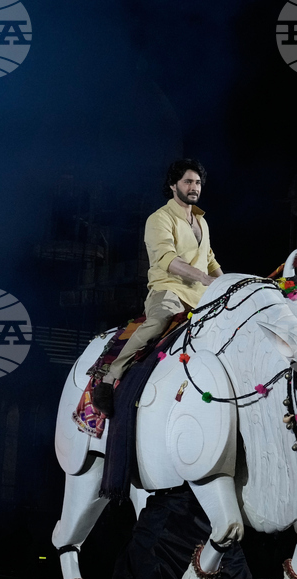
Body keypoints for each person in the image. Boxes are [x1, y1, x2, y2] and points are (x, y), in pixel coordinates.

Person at [93, 158, 224, 417]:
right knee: (158, 321)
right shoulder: (159, 219)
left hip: (201, 296)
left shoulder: (202, 222)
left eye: (197, 182)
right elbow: (167, 260)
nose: (194, 187)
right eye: (188, 181)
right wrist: (204, 278)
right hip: (169, 290)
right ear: (173, 185)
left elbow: (209, 259)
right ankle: (110, 376)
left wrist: (228, 283)